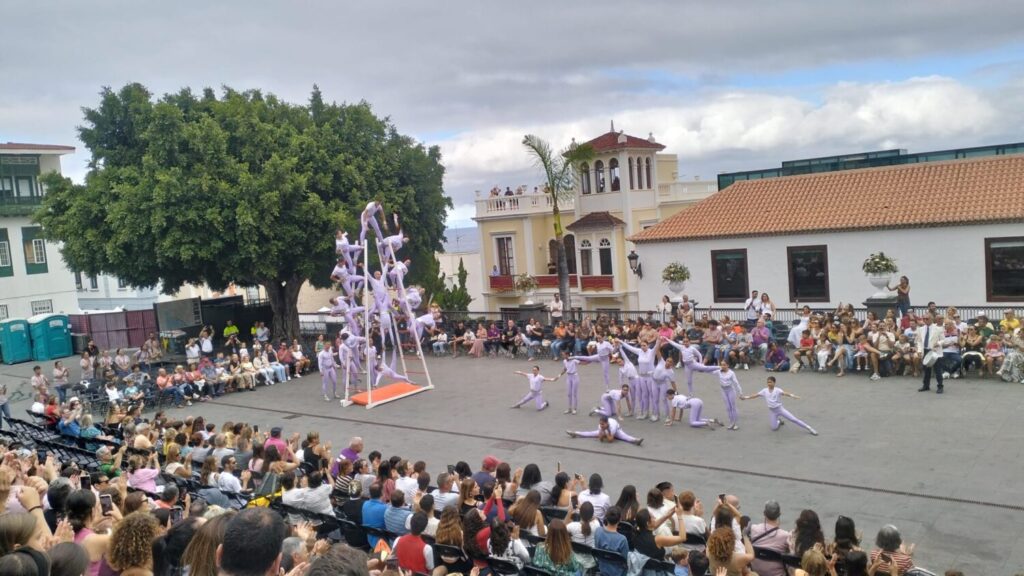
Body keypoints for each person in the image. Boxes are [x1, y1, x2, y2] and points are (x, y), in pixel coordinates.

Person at [739, 376, 818, 435]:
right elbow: (755, 395)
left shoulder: (777, 390)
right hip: (772, 412)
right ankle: (779, 421)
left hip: (780, 410)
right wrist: (745, 397)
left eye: (770, 382)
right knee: (774, 428)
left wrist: (793, 396)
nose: (769, 384)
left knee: (794, 419)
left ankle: (809, 428)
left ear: (774, 383)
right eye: (768, 382)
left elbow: (785, 393)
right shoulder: (764, 391)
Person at [749, 500, 791, 576]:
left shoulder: (753, 529)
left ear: (764, 513)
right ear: (779, 514)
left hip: (755, 573)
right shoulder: (785, 536)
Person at [593, 506, 630, 576]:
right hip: (618, 573)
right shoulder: (622, 539)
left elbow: (597, 550)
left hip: (602, 569)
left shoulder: (598, 531)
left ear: (606, 517)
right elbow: (625, 561)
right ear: (620, 519)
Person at [566, 415, 643, 446]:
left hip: (617, 431)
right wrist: (602, 432)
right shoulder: (601, 426)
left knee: (625, 437)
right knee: (591, 433)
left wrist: (607, 432)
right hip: (607, 431)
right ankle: (575, 433)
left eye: (602, 424)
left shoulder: (612, 426)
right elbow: (600, 439)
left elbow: (610, 440)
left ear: (607, 423)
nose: (601, 425)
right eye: (600, 424)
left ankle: (636, 440)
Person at [916, 314, 945, 394]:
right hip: (925, 350)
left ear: (932, 319)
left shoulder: (938, 329)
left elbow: (943, 340)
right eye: (924, 319)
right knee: (926, 370)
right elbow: (919, 341)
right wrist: (919, 350)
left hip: (935, 351)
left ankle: (940, 386)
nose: (925, 320)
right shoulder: (920, 329)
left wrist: (938, 343)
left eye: (927, 318)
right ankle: (926, 385)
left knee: (937, 370)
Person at [715, 359, 743, 430]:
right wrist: (701, 368)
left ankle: (735, 423)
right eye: (721, 365)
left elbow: (736, 383)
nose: (722, 366)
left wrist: (740, 392)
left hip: (730, 390)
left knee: (733, 407)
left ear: (728, 365)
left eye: (724, 365)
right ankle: (731, 422)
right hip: (723, 391)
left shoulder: (731, 373)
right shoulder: (719, 371)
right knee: (728, 407)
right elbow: (710, 371)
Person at [558, 350, 581, 414]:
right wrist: (559, 375)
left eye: (564, 355)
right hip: (568, 377)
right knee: (569, 394)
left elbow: (582, 363)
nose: (563, 356)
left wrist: (590, 359)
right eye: (562, 355)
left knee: (574, 394)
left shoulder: (574, 360)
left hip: (575, 377)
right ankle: (569, 408)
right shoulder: (564, 361)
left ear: (567, 355)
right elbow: (565, 369)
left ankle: (575, 409)